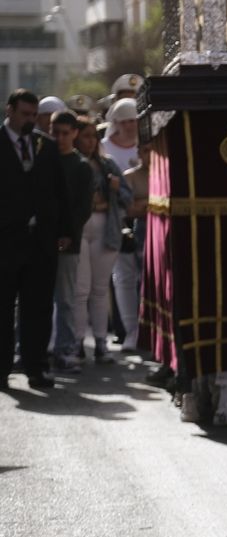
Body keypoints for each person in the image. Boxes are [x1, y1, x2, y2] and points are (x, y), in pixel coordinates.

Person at [2, 89, 70, 390]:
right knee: (3, 308)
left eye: (34, 115)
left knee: (38, 308)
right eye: (25, 114)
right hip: (5, 241)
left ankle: (36, 367)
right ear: (10, 111)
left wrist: (65, 230)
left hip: (40, 242)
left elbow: (60, 191)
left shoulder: (46, 146)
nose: (30, 120)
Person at [71, 114, 132, 366]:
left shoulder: (108, 165)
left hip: (106, 227)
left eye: (93, 136)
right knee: (80, 289)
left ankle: (100, 344)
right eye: (84, 136)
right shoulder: (71, 163)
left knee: (99, 289)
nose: (90, 141)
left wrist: (117, 188)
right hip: (79, 228)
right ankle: (76, 343)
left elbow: (128, 197)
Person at [100, 99, 147, 352]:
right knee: (123, 279)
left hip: (145, 222)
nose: (129, 125)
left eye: (133, 120)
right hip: (115, 221)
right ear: (115, 123)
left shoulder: (147, 144)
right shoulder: (104, 148)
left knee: (144, 279)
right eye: (125, 121)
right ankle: (130, 331)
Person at [49, 112, 94, 374]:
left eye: (65, 133)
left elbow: (81, 209)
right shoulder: (45, 160)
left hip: (68, 243)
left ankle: (65, 349)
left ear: (74, 133)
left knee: (65, 299)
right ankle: (33, 348)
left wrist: (67, 234)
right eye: (56, 132)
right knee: (35, 299)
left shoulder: (80, 166)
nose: (60, 138)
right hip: (40, 241)